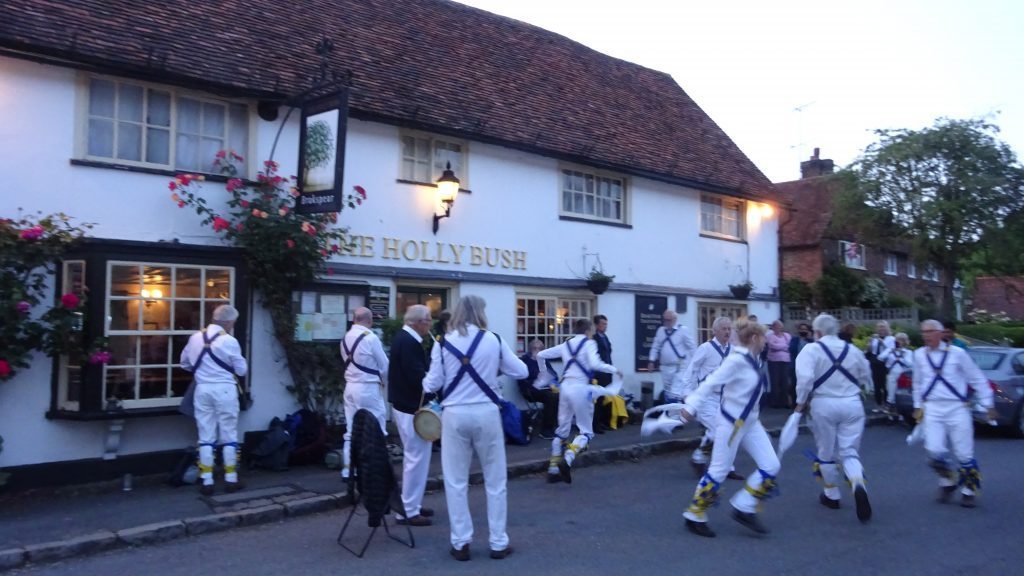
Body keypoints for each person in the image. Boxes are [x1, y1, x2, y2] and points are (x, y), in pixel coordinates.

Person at [422, 295, 527, 561]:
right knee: (495, 480)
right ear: (480, 312)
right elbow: (522, 371)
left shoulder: (443, 342)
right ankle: (498, 543)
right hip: (487, 413)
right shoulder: (493, 339)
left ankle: (461, 543)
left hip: (455, 414)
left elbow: (431, 384)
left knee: (456, 481)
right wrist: (494, 369)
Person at [680, 317, 779, 538]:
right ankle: (695, 515)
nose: (766, 341)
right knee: (719, 470)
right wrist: (692, 404)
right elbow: (712, 381)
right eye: (763, 337)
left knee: (771, 465)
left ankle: (744, 506)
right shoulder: (737, 360)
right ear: (754, 338)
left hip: (751, 423)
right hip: (731, 423)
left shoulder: (753, 357)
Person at [794, 314, 873, 522]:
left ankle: (832, 494)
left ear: (817, 332)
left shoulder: (811, 350)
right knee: (849, 451)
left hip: (824, 404)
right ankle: (857, 484)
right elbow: (866, 375)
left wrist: (800, 403)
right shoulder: (853, 349)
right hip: (852, 403)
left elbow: (805, 380)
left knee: (826, 451)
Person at [912, 319, 996, 508]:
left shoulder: (958, 354)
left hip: (957, 408)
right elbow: (917, 383)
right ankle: (948, 481)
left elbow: (977, 379)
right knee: (934, 451)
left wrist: (988, 405)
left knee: (964, 454)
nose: (926, 335)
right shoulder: (918, 355)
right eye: (923, 332)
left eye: (930, 331)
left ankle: (969, 490)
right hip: (932, 409)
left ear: (941, 333)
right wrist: (918, 405)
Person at [538, 318, 620, 484]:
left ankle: (553, 469)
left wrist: (545, 375)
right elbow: (596, 364)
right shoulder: (589, 344)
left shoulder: (566, 345)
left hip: (565, 388)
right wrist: (615, 370)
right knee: (586, 432)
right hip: (581, 389)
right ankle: (567, 459)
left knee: (562, 430)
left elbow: (540, 354)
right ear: (588, 330)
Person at [180, 304, 248, 496]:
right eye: (233, 323)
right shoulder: (229, 341)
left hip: (202, 389)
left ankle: (207, 480)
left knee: (205, 435)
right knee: (228, 434)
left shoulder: (194, 338)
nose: (233, 326)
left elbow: (184, 363)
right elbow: (242, 370)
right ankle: (230, 478)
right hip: (224, 389)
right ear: (227, 322)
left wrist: (203, 371)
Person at [387, 304, 435, 527]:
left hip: (403, 404)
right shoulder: (409, 343)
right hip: (410, 406)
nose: (430, 324)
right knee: (416, 459)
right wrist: (436, 384)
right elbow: (418, 376)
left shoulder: (404, 339)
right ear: (417, 322)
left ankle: (412, 503)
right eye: (428, 320)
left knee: (414, 458)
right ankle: (408, 510)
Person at [679, 316, 742, 480]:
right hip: (706, 398)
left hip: (725, 399)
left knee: (727, 432)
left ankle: (727, 467)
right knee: (717, 431)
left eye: (729, 328)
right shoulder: (706, 348)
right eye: (724, 329)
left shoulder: (732, 350)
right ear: (715, 331)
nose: (727, 332)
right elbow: (691, 371)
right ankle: (699, 457)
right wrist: (687, 396)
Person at [339, 306, 390, 480]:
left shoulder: (345, 337)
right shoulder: (371, 338)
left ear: (354, 320)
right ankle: (377, 468)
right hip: (367, 387)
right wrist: (384, 382)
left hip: (350, 387)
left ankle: (348, 469)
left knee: (351, 429)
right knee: (377, 427)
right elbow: (384, 365)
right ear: (369, 320)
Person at [648, 309, 696, 404]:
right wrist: (651, 360)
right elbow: (655, 346)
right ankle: (672, 413)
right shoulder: (660, 331)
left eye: (669, 320)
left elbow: (692, 348)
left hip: (679, 367)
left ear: (675, 319)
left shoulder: (683, 330)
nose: (666, 322)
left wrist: (695, 364)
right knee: (668, 392)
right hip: (664, 367)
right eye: (665, 319)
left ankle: (675, 415)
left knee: (675, 392)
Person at [517, 338, 558, 439]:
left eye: (540, 348)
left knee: (559, 395)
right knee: (552, 397)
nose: (537, 350)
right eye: (535, 348)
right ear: (530, 349)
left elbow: (554, 375)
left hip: (546, 388)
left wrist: (550, 380)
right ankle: (546, 430)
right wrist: (536, 380)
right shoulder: (524, 360)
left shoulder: (544, 360)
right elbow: (520, 379)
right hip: (531, 390)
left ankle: (554, 425)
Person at [865, 321, 896, 411]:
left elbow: (892, 349)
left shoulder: (891, 339)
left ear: (887, 328)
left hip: (885, 362)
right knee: (876, 384)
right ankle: (878, 404)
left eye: (883, 327)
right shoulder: (874, 338)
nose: (881, 329)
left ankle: (887, 404)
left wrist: (882, 342)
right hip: (875, 362)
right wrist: (870, 343)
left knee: (885, 384)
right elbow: (870, 351)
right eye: (879, 327)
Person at [878, 332, 912, 412]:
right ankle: (891, 413)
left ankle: (902, 415)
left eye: (901, 340)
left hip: (904, 376)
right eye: (897, 340)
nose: (898, 342)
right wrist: (889, 352)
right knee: (891, 393)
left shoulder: (908, 352)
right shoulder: (890, 350)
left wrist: (902, 356)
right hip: (892, 374)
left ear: (904, 341)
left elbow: (910, 364)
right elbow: (880, 358)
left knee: (902, 394)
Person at [592, 314, 614, 433]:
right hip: (599, 373)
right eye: (603, 324)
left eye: (606, 324)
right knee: (598, 400)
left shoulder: (605, 337)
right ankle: (595, 425)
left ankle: (604, 422)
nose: (605, 326)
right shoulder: (593, 339)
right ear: (596, 325)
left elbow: (608, 355)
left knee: (606, 398)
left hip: (607, 372)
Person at [765, 320, 793, 408]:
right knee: (775, 382)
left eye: (779, 326)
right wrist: (784, 347)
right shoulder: (769, 336)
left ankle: (785, 402)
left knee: (785, 382)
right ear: (773, 327)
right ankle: (775, 402)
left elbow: (790, 346)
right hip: (773, 361)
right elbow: (772, 346)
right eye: (776, 326)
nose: (778, 328)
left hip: (785, 361)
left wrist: (780, 347)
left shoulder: (787, 336)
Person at [788, 323, 814, 402]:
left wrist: (810, 339)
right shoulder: (795, 339)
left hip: (808, 366)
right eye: (801, 329)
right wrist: (800, 339)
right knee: (795, 384)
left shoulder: (811, 341)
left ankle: (807, 403)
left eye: (805, 329)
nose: (803, 331)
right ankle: (795, 402)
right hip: (795, 366)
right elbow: (791, 349)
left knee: (807, 385)